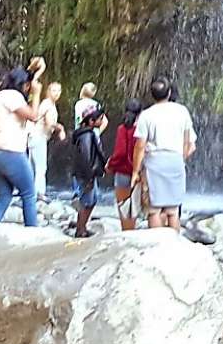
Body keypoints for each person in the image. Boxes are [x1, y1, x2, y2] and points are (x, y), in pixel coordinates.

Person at [131, 77, 194, 230]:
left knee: (154, 211)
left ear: (152, 95)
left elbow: (140, 146)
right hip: (175, 159)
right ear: (169, 92)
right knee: (173, 211)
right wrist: (182, 158)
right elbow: (188, 141)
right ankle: (174, 245)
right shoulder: (182, 111)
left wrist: (135, 171)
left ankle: (157, 246)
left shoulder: (146, 115)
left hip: (154, 162)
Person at [0, 66, 41, 226]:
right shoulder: (13, 96)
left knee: (4, 197)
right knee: (29, 194)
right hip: (12, 153)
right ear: (24, 84)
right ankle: (33, 234)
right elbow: (34, 116)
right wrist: (36, 94)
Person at [70, 105, 109, 238]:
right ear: (91, 121)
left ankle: (82, 227)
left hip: (87, 173)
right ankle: (80, 229)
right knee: (87, 201)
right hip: (87, 174)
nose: (102, 121)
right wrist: (89, 178)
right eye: (100, 119)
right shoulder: (87, 135)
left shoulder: (85, 133)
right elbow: (86, 157)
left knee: (92, 200)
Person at [108, 99, 143, 231]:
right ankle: (132, 230)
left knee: (124, 207)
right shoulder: (142, 130)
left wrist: (110, 165)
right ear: (140, 113)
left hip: (122, 172)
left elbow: (120, 152)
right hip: (137, 172)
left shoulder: (122, 129)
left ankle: (126, 232)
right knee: (134, 206)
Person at [30, 80, 64, 202]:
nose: (57, 93)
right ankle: (39, 194)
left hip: (34, 137)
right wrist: (60, 128)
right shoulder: (48, 104)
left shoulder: (48, 104)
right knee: (40, 167)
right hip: (39, 137)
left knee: (33, 167)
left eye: (59, 91)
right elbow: (49, 123)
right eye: (54, 90)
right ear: (48, 91)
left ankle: (31, 194)